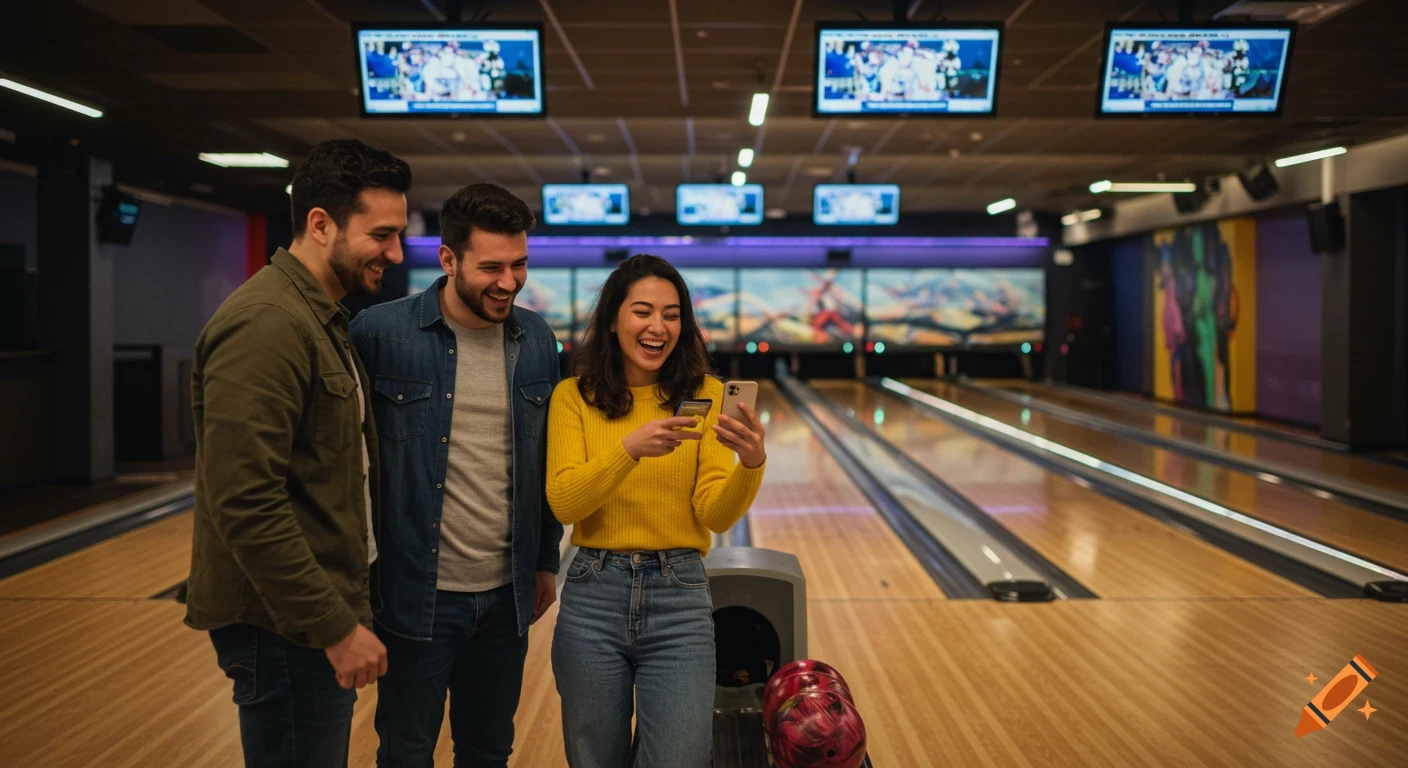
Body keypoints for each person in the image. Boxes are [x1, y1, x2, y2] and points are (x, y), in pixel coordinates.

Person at [185, 138, 411, 768]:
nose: (395, 254)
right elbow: (245, 501)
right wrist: (333, 627)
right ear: (320, 224)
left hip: (306, 613)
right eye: (383, 234)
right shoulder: (268, 324)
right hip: (283, 625)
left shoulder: (318, 318)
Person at [350, 182, 563, 768]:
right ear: (448, 260)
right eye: (491, 267)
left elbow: (544, 460)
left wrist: (546, 559)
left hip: (506, 598)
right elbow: (346, 465)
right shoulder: (378, 333)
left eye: (519, 264)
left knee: (489, 750)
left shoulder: (538, 340)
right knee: (406, 751)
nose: (509, 281)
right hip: (415, 595)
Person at [547, 254, 768, 767]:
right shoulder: (573, 399)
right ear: (613, 321)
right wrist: (629, 449)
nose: (657, 326)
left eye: (671, 314)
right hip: (592, 596)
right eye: (642, 311)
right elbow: (564, 500)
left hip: (680, 597)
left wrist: (752, 463)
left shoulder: (706, 396)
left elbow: (714, 513)